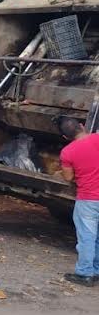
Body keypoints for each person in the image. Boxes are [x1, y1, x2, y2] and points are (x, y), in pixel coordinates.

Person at [58, 116, 99, 287]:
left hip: (88, 199)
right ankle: (96, 270)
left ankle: (85, 274)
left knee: (87, 237)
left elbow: (68, 177)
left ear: (65, 137)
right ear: (82, 126)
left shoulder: (68, 152)